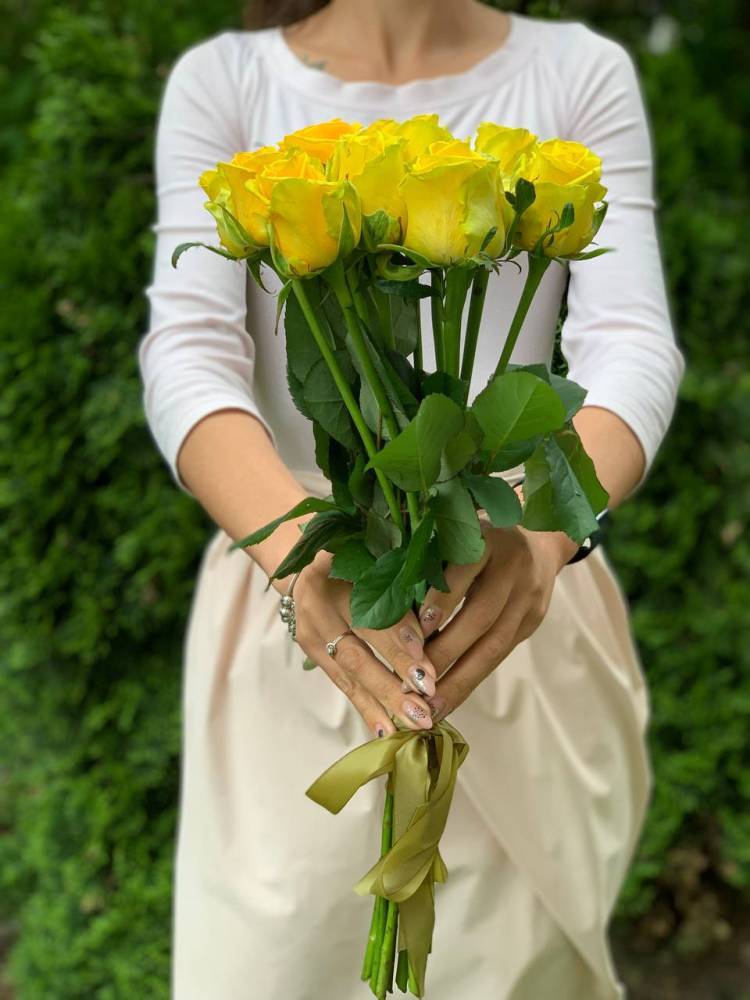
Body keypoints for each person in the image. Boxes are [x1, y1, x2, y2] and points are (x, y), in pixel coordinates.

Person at [137, 1, 685, 997]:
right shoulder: (225, 82)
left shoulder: (578, 72)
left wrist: (545, 539)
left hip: (516, 601)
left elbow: (633, 348)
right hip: (300, 601)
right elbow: (189, 356)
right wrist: (300, 553)